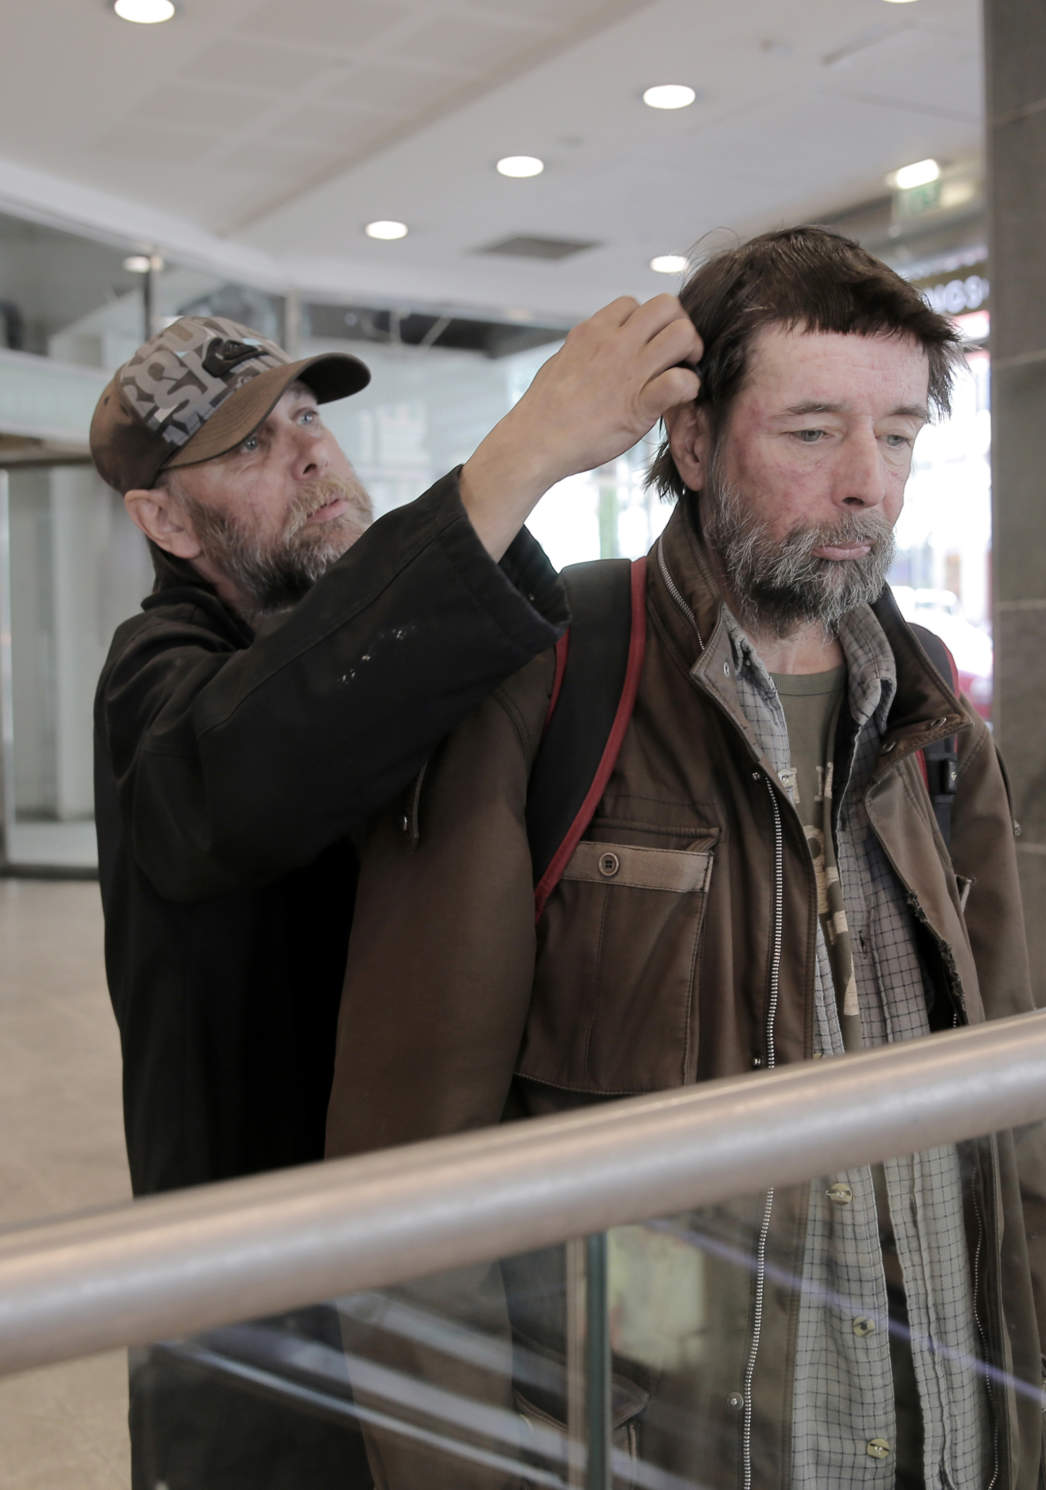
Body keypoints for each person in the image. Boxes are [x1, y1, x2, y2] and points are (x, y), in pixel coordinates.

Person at [326, 228, 1046, 1490]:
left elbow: (1011, 1109)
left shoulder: (931, 724)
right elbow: (407, 1184)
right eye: (812, 431)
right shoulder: (549, 691)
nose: (867, 482)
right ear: (695, 443)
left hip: (950, 1436)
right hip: (688, 1440)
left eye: (901, 433)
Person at [88, 301, 700, 1489]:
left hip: (423, 1269)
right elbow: (263, 752)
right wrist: (525, 449)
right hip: (255, 1321)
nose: (313, 449)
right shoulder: (156, 680)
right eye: (250, 446)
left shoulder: (366, 644)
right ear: (163, 517)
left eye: (309, 417)